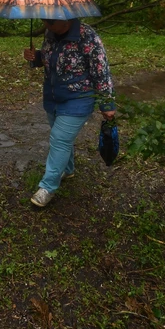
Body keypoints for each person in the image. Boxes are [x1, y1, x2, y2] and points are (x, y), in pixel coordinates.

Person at [23, 18, 115, 207]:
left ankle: (48, 187)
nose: (46, 25)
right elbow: (49, 59)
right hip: (53, 97)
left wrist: (107, 104)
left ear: (65, 20)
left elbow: (101, 72)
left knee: (59, 138)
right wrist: (36, 57)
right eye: (45, 21)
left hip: (79, 98)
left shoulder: (87, 37)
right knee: (63, 140)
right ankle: (67, 169)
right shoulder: (51, 33)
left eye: (50, 22)